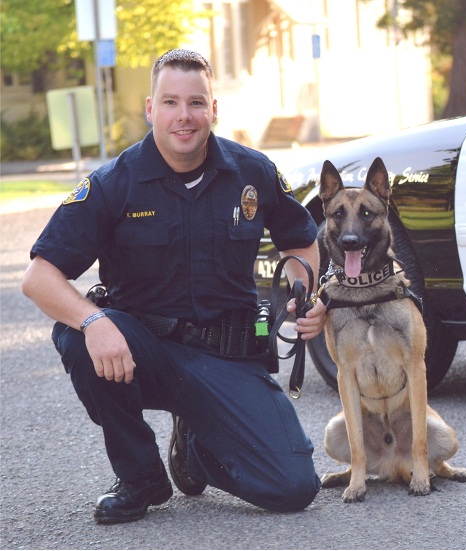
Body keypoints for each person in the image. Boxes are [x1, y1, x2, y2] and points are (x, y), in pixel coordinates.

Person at [22, 49, 327, 524]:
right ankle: (140, 477)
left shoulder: (253, 172)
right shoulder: (114, 183)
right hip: (144, 351)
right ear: (151, 109)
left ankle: (198, 450)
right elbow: (39, 277)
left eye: (195, 102)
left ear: (213, 109)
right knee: (78, 335)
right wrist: (94, 320)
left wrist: (305, 295)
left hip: (228, 355)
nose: (184, 116)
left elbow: (301, 241)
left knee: (293, 488)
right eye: (170, 102)